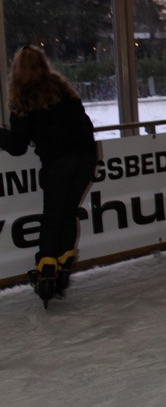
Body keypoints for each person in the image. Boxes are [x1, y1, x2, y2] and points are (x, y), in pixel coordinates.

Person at [0, 46, 97, 306]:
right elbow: (86, 124)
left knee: (53, 217)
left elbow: (17, 146)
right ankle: (62, 270)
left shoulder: (23, 97)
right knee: (67, 213)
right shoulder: (63, 89)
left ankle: (46, 273)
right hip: (86, 157)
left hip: (58, 162)